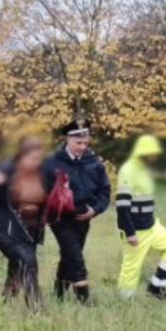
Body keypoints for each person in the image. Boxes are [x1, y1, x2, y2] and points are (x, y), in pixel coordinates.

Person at [42, 116, 111, 305]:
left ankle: (58, 295)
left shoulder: (94, 162)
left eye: (85, 142)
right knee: (75, 256)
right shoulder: (51, 162)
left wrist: (95, 210)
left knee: (69, 256)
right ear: (67, 139)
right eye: (78, 142)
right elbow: (40, 190)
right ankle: (84, 299)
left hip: (83, 218)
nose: (82, 147)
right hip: (60, 219)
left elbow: (105, 191)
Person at [0, 135, 47, 310]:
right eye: (33, 158)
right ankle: (37, 311)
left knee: (16, 269)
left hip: (29, 234)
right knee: (28, 265)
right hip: (7, 232)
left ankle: (4, 303)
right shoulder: (5, 169)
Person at [115, 135, 166, 300]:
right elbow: (122, 206)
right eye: (153, 153)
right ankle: (125, 302)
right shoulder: (128, 170)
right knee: (131, 267)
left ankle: (156, 289)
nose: (155, 156)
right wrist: (130, 232)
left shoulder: (143, 170)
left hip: (152, 226)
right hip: (136, 230)